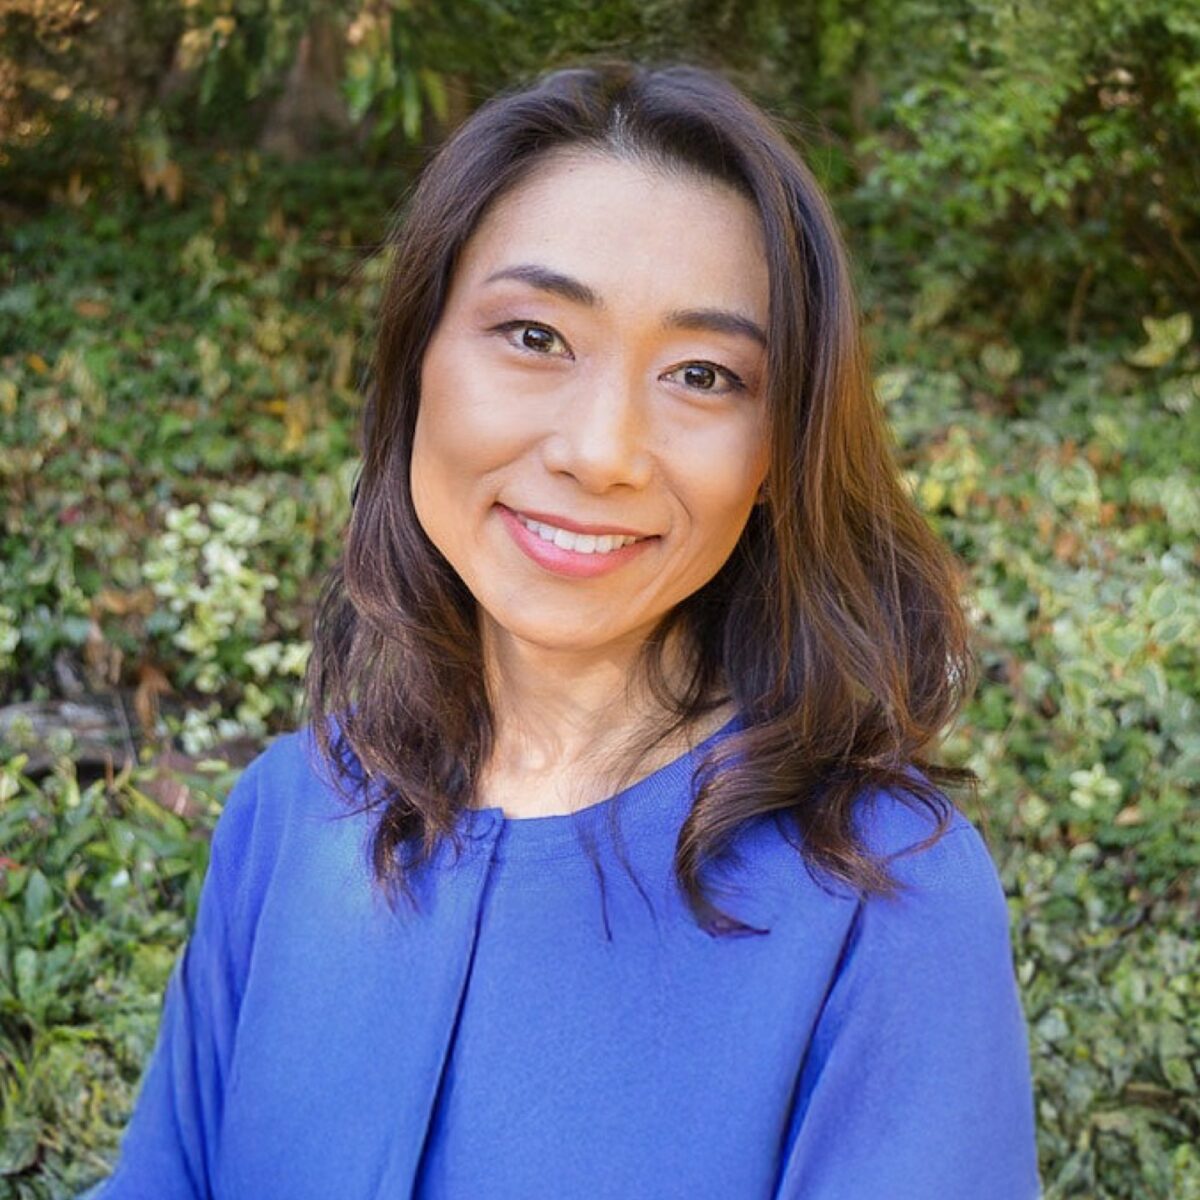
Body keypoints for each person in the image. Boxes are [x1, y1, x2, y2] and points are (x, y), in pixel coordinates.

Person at [84, 60, 1040, 1199]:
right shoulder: (291, 815)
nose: (601, 450)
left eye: (702, 373)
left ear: (778, 454)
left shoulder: (883, 900)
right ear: (418, 361)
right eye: (534, 336)